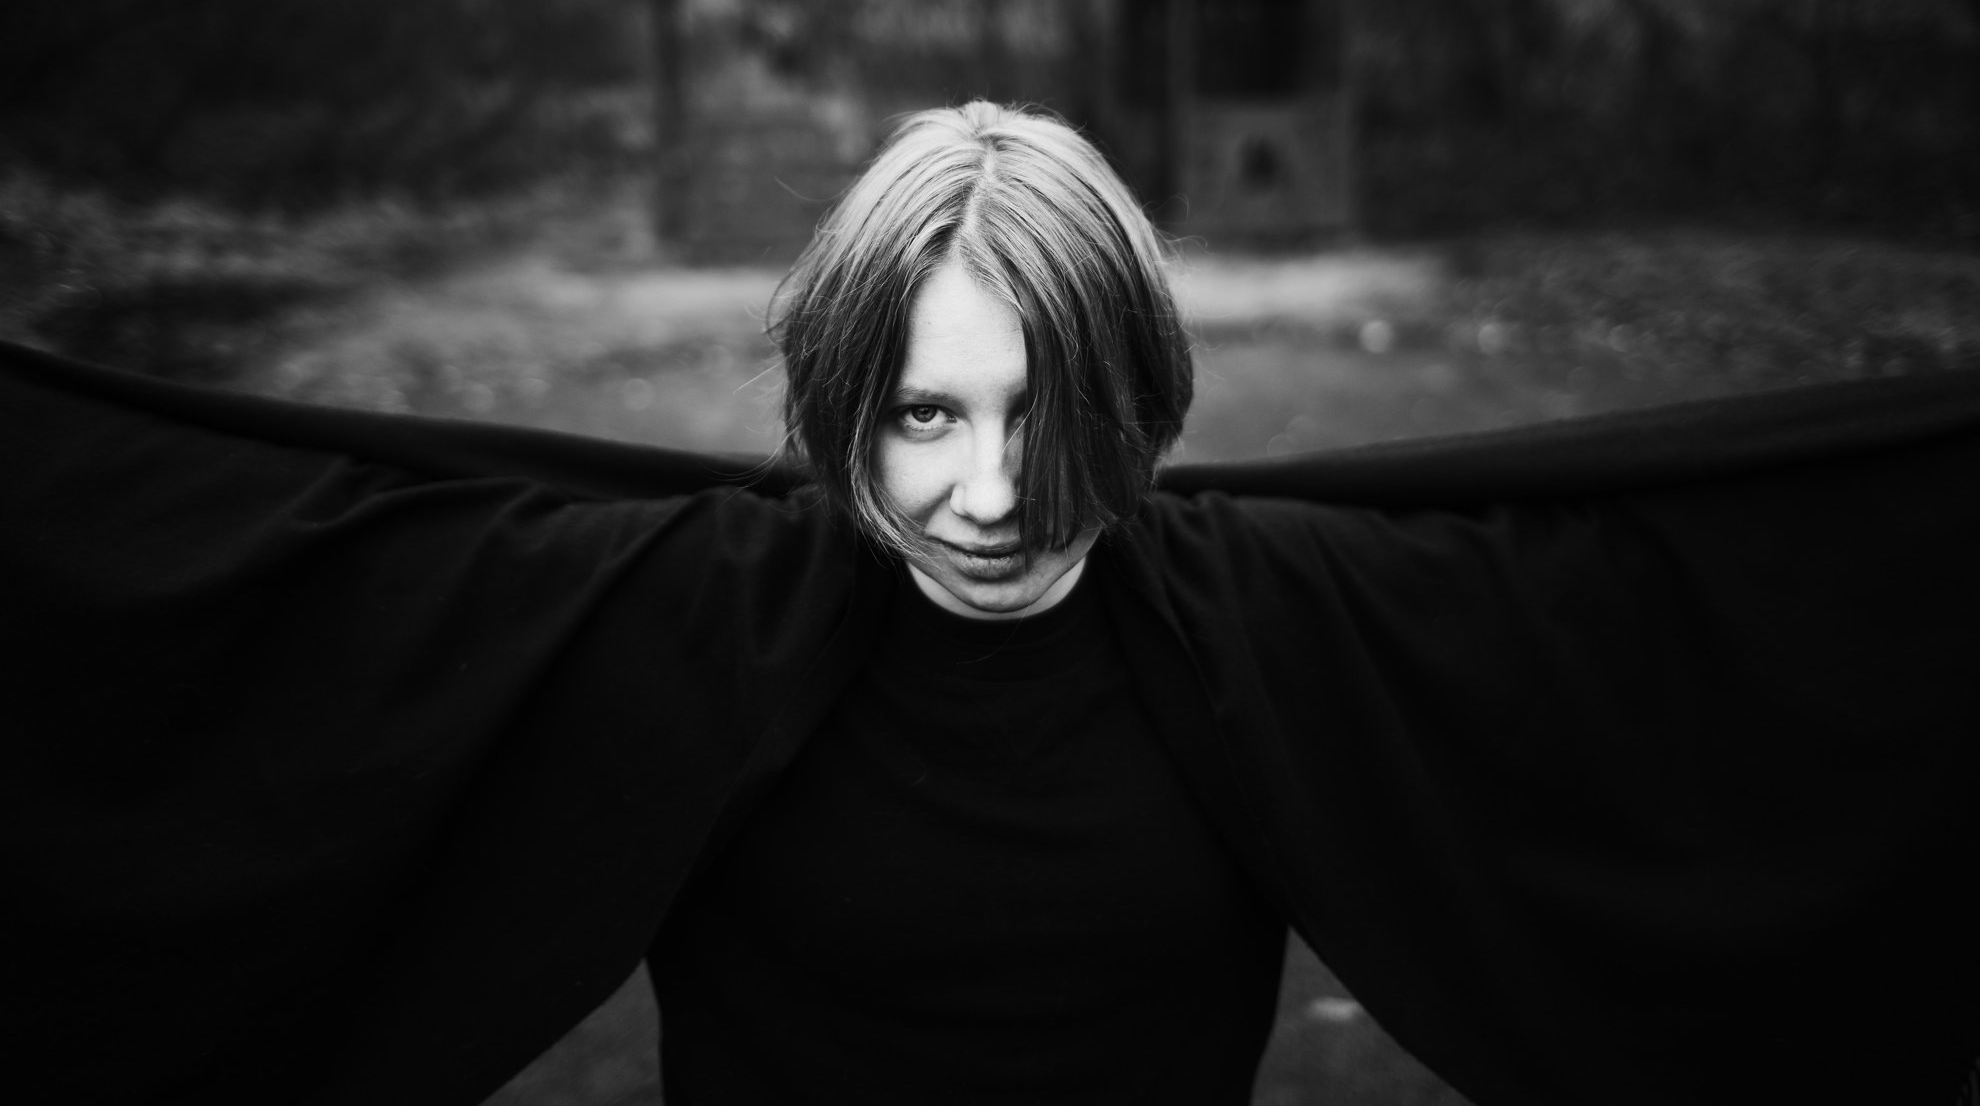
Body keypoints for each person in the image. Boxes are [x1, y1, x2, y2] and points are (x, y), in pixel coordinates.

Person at [3, 102, 1979, 1106]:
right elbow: (220, 584)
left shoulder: (1279, 628)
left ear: (1142, 396)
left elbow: (1707, 607)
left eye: (1052, 411)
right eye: (922, 413)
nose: (992, 495)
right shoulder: (672, 622)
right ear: (837, 402)